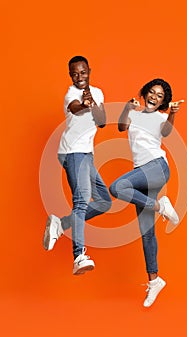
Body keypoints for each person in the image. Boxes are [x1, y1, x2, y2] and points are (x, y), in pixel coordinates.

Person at [109, 78, 184, 307]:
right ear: (145, 93)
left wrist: (172, 113)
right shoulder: (135, 113)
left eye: (159, 96)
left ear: (163, 102)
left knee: (117, 187)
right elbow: (122, 127)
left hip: (157, 168)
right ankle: (155, 280)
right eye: (151, 92)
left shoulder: (161, 117)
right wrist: (127, 108)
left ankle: (162, 206)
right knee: (147, 232)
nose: (154, 97)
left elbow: (167, 132)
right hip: (140, 173)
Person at [43, 56, 112, 275]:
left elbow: (101, 121)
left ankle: (61, 225)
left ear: (89, 71)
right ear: (70, 75)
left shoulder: (98, 92)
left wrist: (93, 101)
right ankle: (79, 255)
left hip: (85, 153)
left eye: (82, 72)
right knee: (81, 201)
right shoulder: (71, 95)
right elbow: (75, 109)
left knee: (103, 201)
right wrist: (84, 104)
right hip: (72, 152)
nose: (78, 77)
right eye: (74, 73)